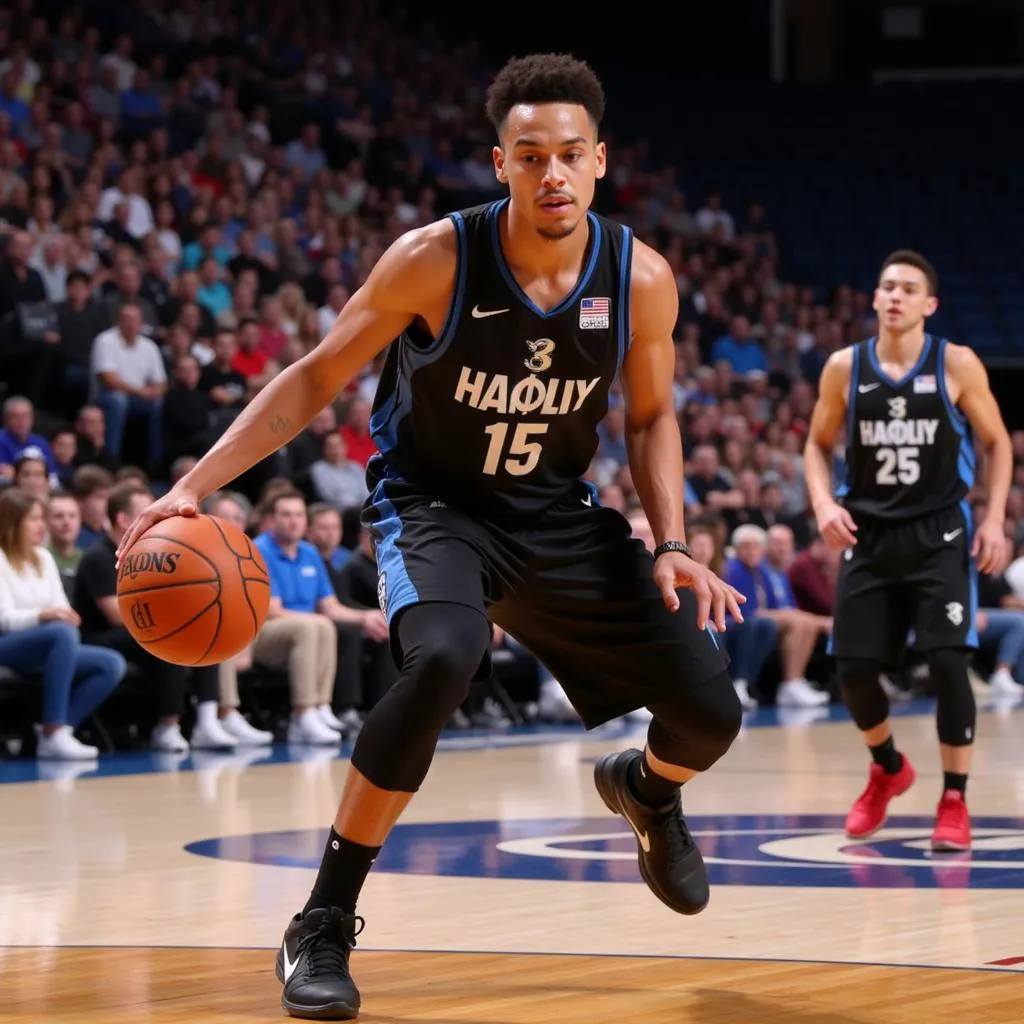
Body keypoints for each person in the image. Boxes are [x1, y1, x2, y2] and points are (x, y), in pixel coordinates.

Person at [119, 54, 744, 1021]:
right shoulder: (435, 258)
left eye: (571, 155)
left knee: (713, 714)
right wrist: (189, 488)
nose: (553, 175)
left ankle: (646, 789)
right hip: (433, 506)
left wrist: (670, 540)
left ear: (601, 161)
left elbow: (653, 418)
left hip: (552, 511)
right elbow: (315, 378)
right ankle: (322, 920)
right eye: (530, 156)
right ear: (500, 163)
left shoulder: (640, 278)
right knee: (444, 655)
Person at [805, 249, 1012, 853]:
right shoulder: (845, 367)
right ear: (874, 299)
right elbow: (816, 446)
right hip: (868, 535)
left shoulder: (957, 364)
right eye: (886, 286)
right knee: (854, 670)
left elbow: (998, 443)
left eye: (908, 288)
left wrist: (995, 519)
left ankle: (954, 797)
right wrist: (821, 504)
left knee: (949, 662)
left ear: (929, 305)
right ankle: (888, 767)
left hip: (939, 535)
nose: (894, 295)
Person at [0, 487, 125, 759]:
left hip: (49, 644)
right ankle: (55, 729)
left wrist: (67, 616)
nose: (40, 525)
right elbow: (5, 620)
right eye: (33, 518)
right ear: (13, 522)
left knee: (110, 663)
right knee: (60, 632)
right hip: (7, 644)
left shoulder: (43, 558)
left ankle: (56, 731)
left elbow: (62, 607)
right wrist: (45, 616)